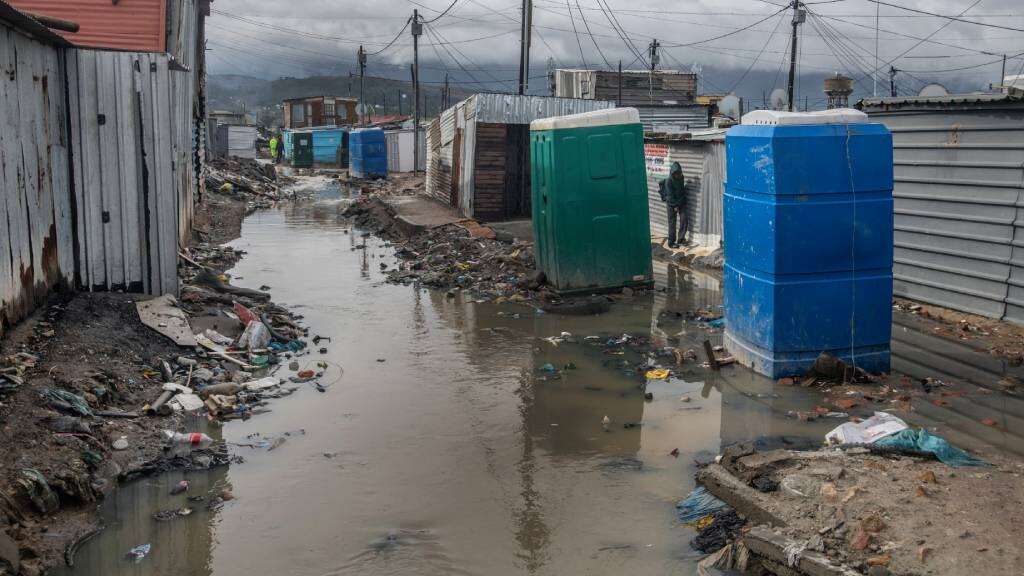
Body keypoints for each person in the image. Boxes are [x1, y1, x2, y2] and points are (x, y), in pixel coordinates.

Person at [659, 161, 688, 248]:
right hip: (671, 204)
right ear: (672, 173)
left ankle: (681, 239)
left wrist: (682, 201)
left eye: (679, 173)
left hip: (680, 202)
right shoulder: (669, 181)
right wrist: (675, 206)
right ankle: (671, 242)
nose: (677, 175)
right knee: (672, 223)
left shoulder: (681, 178)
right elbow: (670, 196)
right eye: (675, 173)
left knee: (684, 219)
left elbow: (681, 190)